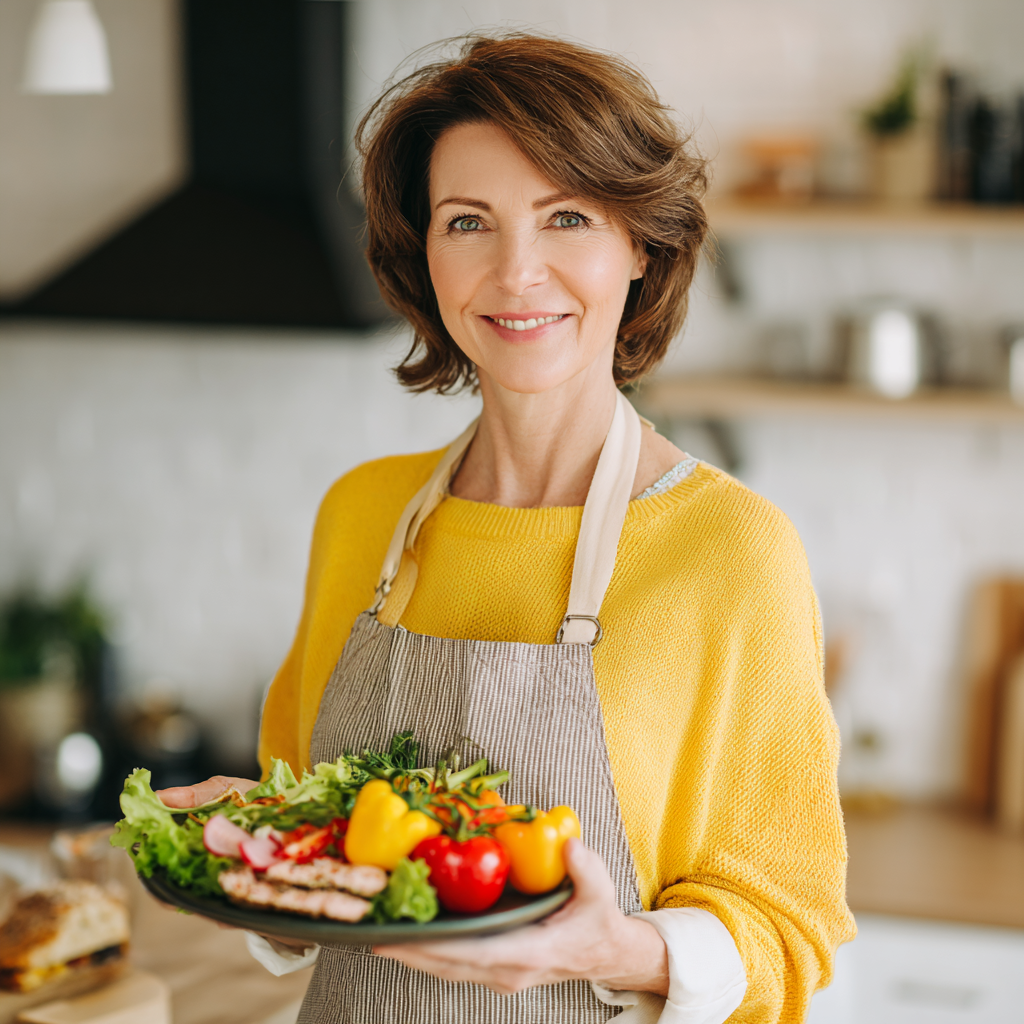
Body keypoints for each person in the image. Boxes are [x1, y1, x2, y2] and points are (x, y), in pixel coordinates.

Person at [160, 33, 855, 1024]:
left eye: (566, 217)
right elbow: (316, 881)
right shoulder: (360, 514)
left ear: (639, 247)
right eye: (468, 222)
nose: (515, 271)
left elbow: (791, 921)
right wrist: (256, 845)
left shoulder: (733, 550)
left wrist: (624, 947)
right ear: (426, 254)